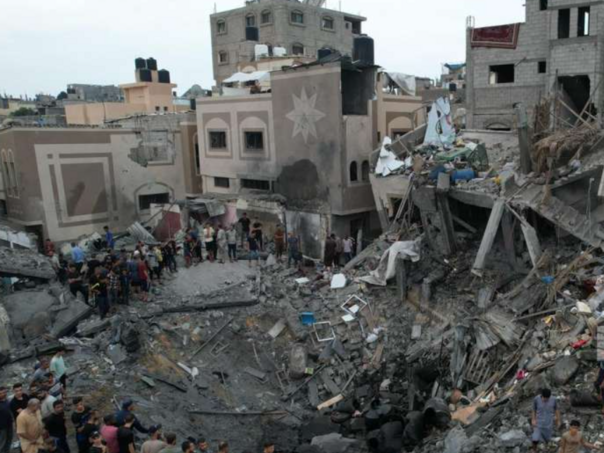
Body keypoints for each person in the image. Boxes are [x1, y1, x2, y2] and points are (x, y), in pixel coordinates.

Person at [0, 386, 12, 453]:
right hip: (2, 427)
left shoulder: (7, 400)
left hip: (9, 425)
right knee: (2, 442)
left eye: (4, 392)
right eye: (1, 393)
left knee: (9, 440)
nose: (3, 394)